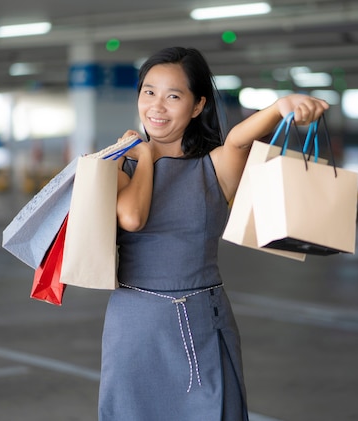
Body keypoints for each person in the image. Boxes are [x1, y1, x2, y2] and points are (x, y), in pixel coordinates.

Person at [98, 46, 329, 420]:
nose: (157, 106)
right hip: (135, 323)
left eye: (173, 96)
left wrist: (279, 107)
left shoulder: (214, 167)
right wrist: (143, 157)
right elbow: (132, 218)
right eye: (149, 92)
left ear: (196, 105)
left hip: (202, 319)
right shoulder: (118, 165)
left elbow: (238, 139)